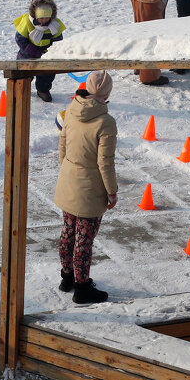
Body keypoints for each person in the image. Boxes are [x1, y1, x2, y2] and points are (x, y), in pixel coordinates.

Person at [53, 70, 118, 304]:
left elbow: (62, 144)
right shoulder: (106, 122)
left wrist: (68, 171)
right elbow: (105, 162)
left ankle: (67, 276)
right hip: (90, 188)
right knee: (84, 239)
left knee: (68, 231)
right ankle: (82, 287)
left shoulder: (71, 109)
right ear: (107, 93)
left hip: (68, 180)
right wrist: (112, 191)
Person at [13, 0, 66, 102]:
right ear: (35, 15)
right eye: (41, 18)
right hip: (27, 53)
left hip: (47, 54)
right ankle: (21, 89)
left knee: (48, 74)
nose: (44, 20)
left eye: (47, 17)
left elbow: (58, 41)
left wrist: (51, 52)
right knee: (23, 73)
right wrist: (35, 52)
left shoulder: (54, 25)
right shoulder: (27, 22)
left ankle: (43, 90)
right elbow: (20, 40)